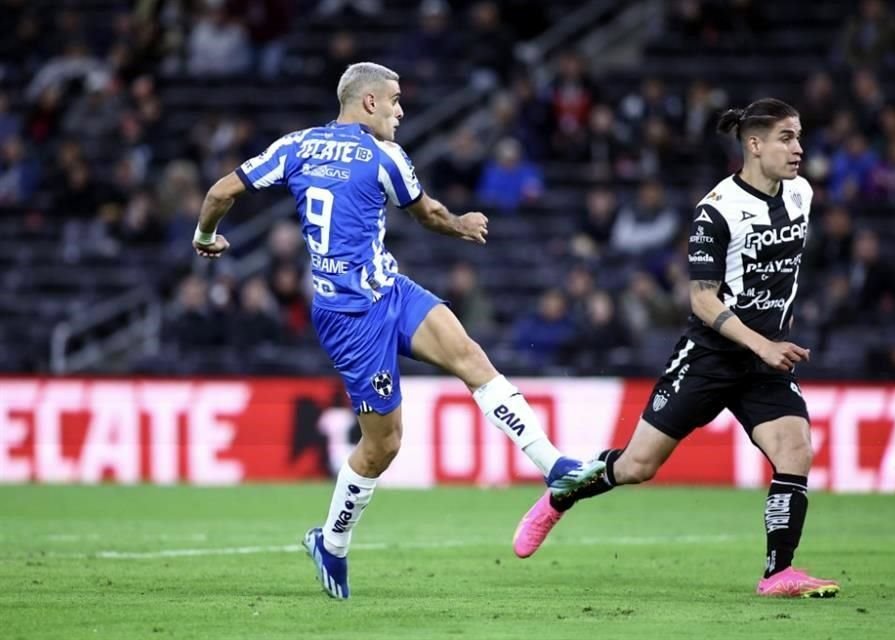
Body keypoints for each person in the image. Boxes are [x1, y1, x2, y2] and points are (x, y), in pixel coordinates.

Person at [191, 62, 605, 599]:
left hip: (388, 291)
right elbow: (426, 212)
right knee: (383, 444)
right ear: (368, 104)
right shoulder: (384, 157)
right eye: (395, 100)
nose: (401, 110)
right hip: (351, 321)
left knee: (469, 355)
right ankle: (332, 544)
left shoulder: (295, 146)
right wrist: (459, 224)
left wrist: (205, 236)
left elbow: (223, 191)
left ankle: (554, 467)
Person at [511, 98, 841, 599]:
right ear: (754, 145)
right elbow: (703, 301)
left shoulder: (801, 194)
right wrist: (762, 342)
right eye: (787, 138)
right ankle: (565, 491)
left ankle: (778, 573)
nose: (799, 148)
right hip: (709, 354)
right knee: (638, 467)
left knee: (795, 450)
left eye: (798, 136)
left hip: (764, 359)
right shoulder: (717, 210)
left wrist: (771, 339)